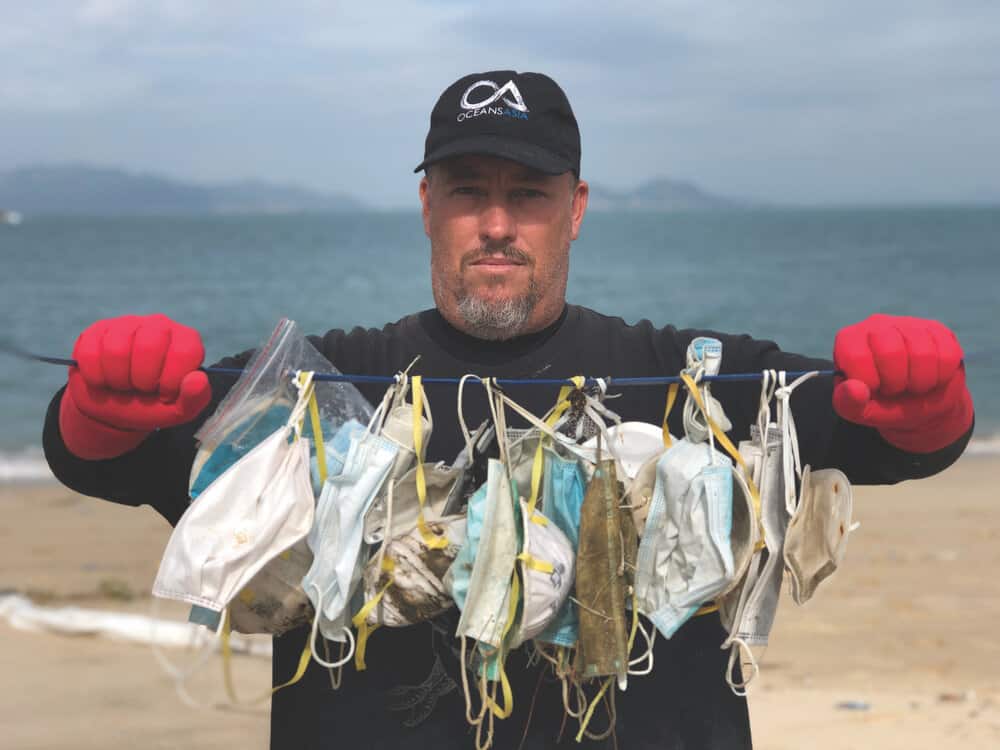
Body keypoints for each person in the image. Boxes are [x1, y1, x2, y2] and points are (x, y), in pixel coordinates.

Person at [43, 70, 974, 749]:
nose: (496, 223)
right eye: (467, 193)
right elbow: (120, 458)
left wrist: (924, 396)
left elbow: (885, 437)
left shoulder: (686, 379)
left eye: (526, 195)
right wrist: (105, 403)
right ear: (426, 207)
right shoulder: (324, 391)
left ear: (574, 210)